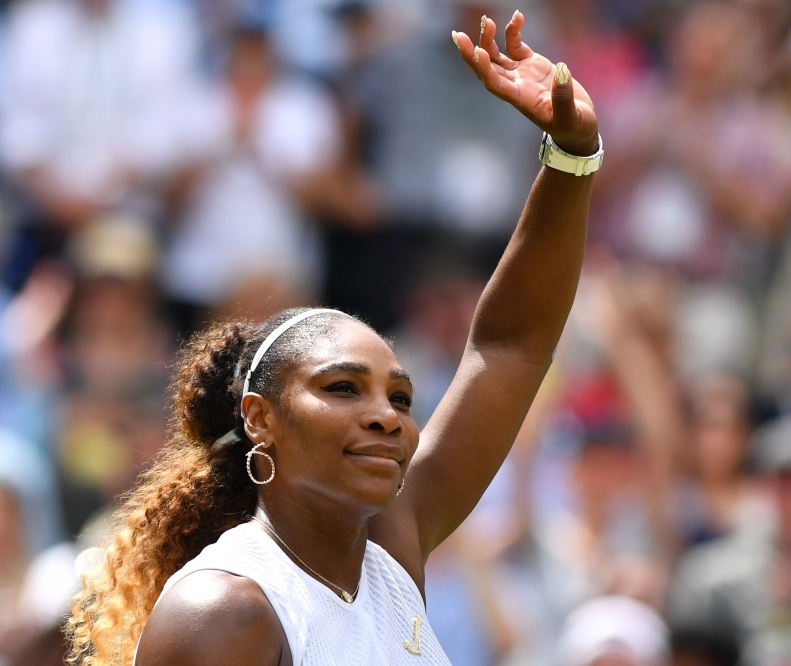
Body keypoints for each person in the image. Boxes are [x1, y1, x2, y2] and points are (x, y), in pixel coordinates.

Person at [66, 10, 601, 666]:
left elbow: (510, 345)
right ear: (262, 418)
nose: (384, 416)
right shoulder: (228, 611)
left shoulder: (393, 549)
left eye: (401, 400)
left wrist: (572, 157)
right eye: (343, 387)